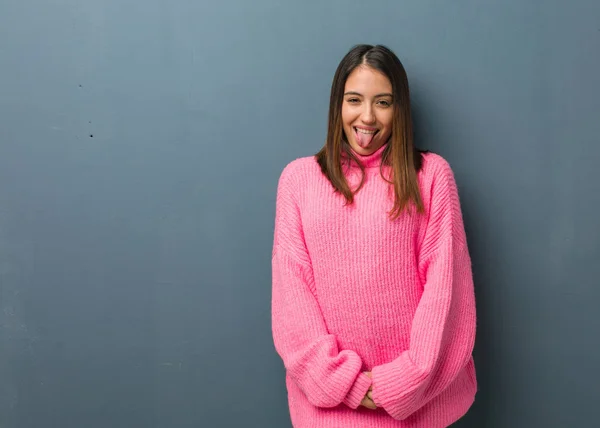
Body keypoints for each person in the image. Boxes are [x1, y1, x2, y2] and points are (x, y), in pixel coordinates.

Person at [271, 44, 477, 428]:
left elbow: (447, 295)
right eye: (354, 100)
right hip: (328, 414)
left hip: (419, 408)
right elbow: (291, 300)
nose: (367, 116)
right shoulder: (298, 181)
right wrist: (347, 385)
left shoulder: (430, 177)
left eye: (383, 102)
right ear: (338, 105)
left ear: (400, 109)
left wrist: (399, 385)